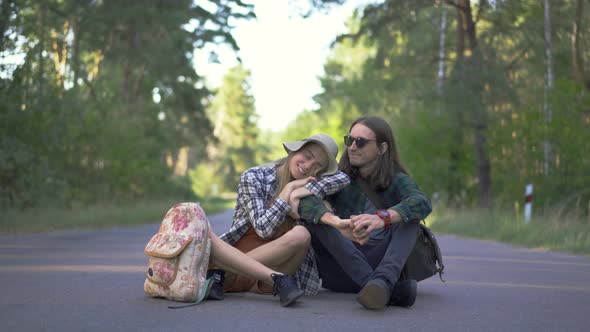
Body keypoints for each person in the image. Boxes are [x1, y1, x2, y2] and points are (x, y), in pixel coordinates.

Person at [297, 116, 432, 310]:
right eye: (349, 140)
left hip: (380, 264)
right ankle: (387, 289)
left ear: (382, 148)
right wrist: (335, 221)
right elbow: (306, 202)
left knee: (410, 218)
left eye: (360, 142)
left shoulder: (397, 180)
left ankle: (381, 284)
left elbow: (422, 202)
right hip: (339, 269)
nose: (352, 147)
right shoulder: (337, 177)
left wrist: (383, 217)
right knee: (315, 219)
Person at [206, 133, 350, 305]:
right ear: (296, 150)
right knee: (205, 232)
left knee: (302, 234)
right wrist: (287, 191)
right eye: (307, 156)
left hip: (267, 280)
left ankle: (221, 272)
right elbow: (263, 229)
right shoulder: (254, 177)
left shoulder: (308, 187)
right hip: (235, 264)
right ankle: (223, 272)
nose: (309, 165)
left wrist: (299, 191)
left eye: (317, 166)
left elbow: (343, 178)